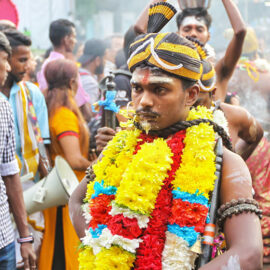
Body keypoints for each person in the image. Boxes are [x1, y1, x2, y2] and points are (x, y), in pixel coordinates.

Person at [69, 32, 263, 269]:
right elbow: (77, 201)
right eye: (137, 89)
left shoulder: (220, 159)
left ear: (191, 95)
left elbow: (249, 253)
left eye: (159, 90)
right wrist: (103, 249)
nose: (144, 101)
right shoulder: (119, 148)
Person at [38, 58, 96, 270]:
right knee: (65, 252)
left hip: (62, 188)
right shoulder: (64, 115)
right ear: (73, 82)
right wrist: (98, 163)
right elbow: (73, 159)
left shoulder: (54, 108)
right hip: (68, 191)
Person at [0, 28, 51, 266]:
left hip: (27, 190)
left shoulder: (31, 94)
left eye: (29, 59)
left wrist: (49, 182)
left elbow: (42, 145)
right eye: (22, 60)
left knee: (27, 259)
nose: (27, 65)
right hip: (4, 194)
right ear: (6, 58)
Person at [0, 31, 36, 270]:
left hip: (3, 238)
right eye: (4, 59)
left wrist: (24, 237)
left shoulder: (3, 107)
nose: (6, 67)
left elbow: (10, 172)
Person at [175, 0, 246, 102]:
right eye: (187, 29)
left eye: (199, 29)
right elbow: (142, 32)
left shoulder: (219, 70)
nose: (193, 34)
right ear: (178, 34)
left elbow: (240, 32)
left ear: (208, 35)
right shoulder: (167, 67)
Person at [37, 19, 92, 122]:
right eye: (74, 37)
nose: (75, 41)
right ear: (66, 40)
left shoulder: (45, 64)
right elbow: (81, 104)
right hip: (68, 121)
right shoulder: (67, 67)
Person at [78, 38, 106, 107]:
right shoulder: (90, 82)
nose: (105, 62)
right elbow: (90, 114)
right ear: (97, 60)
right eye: (104, 58)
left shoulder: (78, 74)